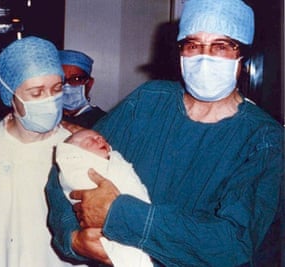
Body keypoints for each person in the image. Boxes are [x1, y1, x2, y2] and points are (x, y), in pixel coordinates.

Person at [45, 0, 284, 266]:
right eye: (193, 45)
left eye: (221, 46)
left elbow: (230, 244)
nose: (204, 58)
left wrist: (118, 215)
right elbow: (67, 168)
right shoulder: (148, 102)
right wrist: (73, 238)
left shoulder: (262, 140)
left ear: (243, 57)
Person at [0, 36, 86, 267]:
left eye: (57, 89)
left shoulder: (78, 146)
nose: (50, 101)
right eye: (36, 93)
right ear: (9, 95)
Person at [55, 129, 152, 267]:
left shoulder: (114, 162)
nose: (100, 140)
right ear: (74, 154)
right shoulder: (78, 172)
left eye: (101, 137)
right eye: (91, 140)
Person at [59, 50, 106, 128]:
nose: (67, 86)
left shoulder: (102, 121)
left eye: (76, 79)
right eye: (61, 79)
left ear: (89, 83)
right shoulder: (50, 118)